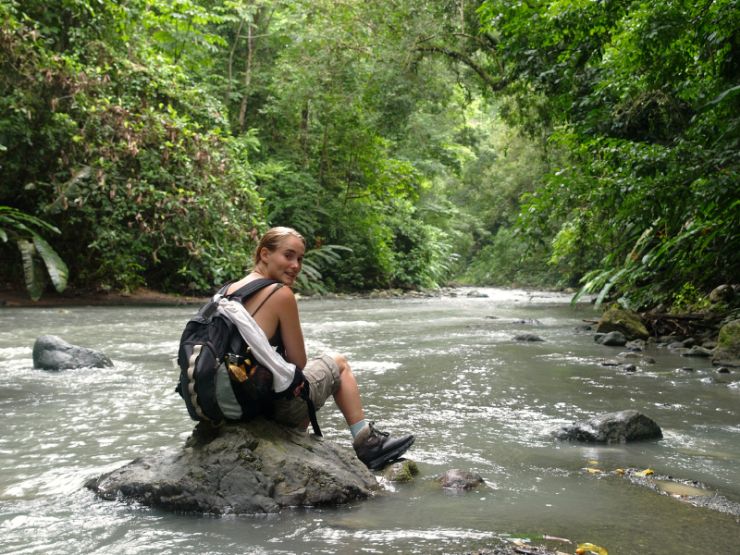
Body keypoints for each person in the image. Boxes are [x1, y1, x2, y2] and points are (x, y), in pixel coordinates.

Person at [224, 226, 414, 470]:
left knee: (295, 379)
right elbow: (298, 363)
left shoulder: (228, 292)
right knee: (338, 364)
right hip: (264, 409)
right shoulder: (280, 294)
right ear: (264, 254)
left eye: (300, 259)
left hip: (231, 406)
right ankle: (367, 442)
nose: (295, 265)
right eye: (288, 255)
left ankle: (299, 442)